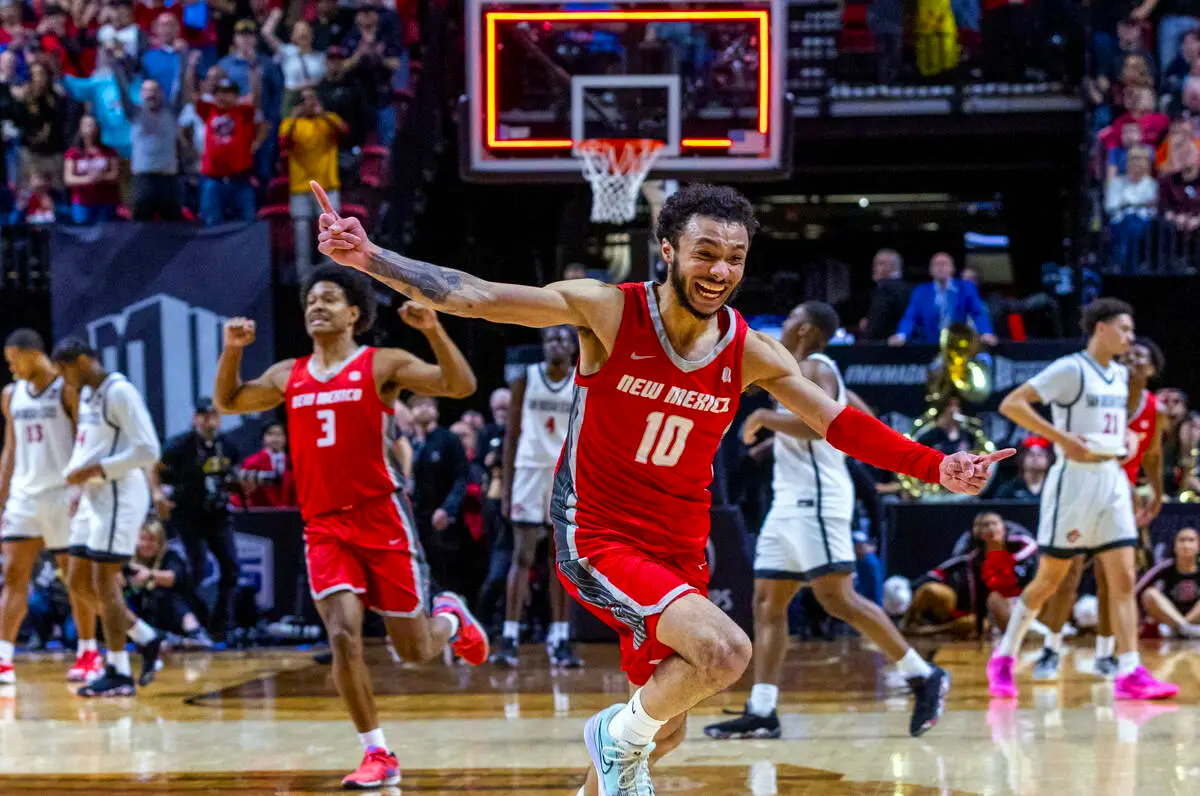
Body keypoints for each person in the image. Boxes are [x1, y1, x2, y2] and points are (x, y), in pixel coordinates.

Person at [310, 180, 1010, 795]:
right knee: (723, 656)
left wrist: (933, 464)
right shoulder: (607, 312)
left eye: (734, 258)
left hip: (680, 549)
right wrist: (371, 259)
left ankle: (617, 748)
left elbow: (837, 422)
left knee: (663, 732)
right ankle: (615, 738)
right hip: (599, 534)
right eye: (706, 252)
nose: (720, 270)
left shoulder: (747, 349)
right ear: (668, 249)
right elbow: (483, 298)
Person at [212, 264, 489, 789]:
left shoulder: (380, 363)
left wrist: (432, 330)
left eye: (330, 298)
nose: (317, 305)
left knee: (412, 651)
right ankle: (377, 752)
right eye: (311, 299)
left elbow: (461, 384)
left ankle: (451, 618)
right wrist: (232, 350)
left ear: (355, 314)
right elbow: (228, 401)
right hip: (323, 526)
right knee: (342, 635)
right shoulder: (286, 375)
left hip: (381, 517)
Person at [704, 302, 948, 742]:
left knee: (838, 599)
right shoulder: (809, 371)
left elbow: (818, 429)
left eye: (791, 316)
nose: (785, 322)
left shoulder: (816, 366)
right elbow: (859, 414)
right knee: (767, 601)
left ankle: (922, 674)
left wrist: (763, 418)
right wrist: (773, 444)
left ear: (807, 328)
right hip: (789, 501)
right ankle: (762, 709)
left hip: (817, 500)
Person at [987, 298, 1179, 701]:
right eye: (1124, 329)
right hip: (1073, 483)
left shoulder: (1117, 377)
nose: (1130, 337)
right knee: (1050, 580)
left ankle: (1129, 670)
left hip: (1111, 478)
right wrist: (1060, 439)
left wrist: (1124, 439)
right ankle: (1004, 657)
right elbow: (1012, 404)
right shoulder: (1071, 368)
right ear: (1101, 329)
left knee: (1123, 579)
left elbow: (1114, 425)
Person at [54, 337, 163, 697]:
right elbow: (88, 445)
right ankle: (145, 637)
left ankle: (118, 671)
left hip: (119, 494)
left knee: (104, 584)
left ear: (83, 361)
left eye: (67, 370)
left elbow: (148, 449)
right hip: (94, 495)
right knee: (76, 581)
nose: (66, 380)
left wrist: (96, 470)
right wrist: (78, 486)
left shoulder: (120, 392)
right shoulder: (87, 394)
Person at [0, 330, 92, 685]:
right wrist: (3, 496)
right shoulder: (11, 395)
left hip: (61, 493)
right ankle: (5, 657)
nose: (10, 368)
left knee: (76, 580)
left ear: (31, 354)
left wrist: (81, 489)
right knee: (12, 575)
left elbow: (85, 439)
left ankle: (88, 652)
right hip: (25, 495)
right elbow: (10, 450)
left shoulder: (66, 389)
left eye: (13, 360)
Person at [493, 326, 581, 668]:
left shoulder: (581, 382)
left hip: (564, 476)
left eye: (562, 339)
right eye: (549, 339)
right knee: (522, 555)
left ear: (574, 348)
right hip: (529, 472)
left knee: (560, 560)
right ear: (542, 347)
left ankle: (560, 637)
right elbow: (511, 435)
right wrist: (507, 487)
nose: (555, 344)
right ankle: (510, 636)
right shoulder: (525, 379)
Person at [157, 399, 240, 640]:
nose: (208, 421)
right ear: (195, 419)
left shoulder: (227, 446)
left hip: (218, 515)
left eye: (213, 416)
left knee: (231, 567)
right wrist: (157, 494)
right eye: (203, 416)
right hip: (189, 514)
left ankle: (221, 627)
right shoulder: (180, 445)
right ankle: (189, 621)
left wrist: (239, 485)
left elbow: (233, 476)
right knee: (197, 568)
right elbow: (155, 466)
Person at [902, 512, 1038, 637]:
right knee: (931, 589)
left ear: (1004, 527)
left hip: (1014, 604)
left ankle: (930, 631)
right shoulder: (971, 557)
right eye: (985, 526)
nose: (991, 528)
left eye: (995, 524)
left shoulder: (1021, 550)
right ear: (977, 532)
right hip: (976, 610)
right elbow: (941, 572)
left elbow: (1032, 548)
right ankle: (908, 624)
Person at [888, 252, 998, 346]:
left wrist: (986, 333)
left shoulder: (966, 288)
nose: (940, 267)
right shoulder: (920, 291)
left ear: (952, 268)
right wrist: (901, 335)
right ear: (930, 270)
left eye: (944, 264)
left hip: (959, 344)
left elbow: (978, 313)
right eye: (936, 264)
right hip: (929, 344)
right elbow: (910, 317)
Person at [1136, 527, 1200, 636]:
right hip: (1169, 622)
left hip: (1196, 621)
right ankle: (1184, 628)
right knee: (1150, 594)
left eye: (1191, 540)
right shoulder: (1164, 567)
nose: (1186, 545)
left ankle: (1185, 629)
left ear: (1198, 546)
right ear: (1174, 546)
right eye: (1182, 540)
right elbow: (1136, 592)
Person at [236, 423, 296, 508]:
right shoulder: (252, 462)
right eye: (270, 434)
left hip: (290, 514)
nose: (275, 438)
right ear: (263, 438)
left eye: (279, 434)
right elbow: (240, 493)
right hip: (261, 513)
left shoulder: (293, 462)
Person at [857, 248, 911, 340]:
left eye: (878, 264)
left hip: (883, 347)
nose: (874, 268)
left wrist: (868, 329)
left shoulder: (885, 289)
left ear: (890, 266)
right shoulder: (907, 288)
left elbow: (878, 323)